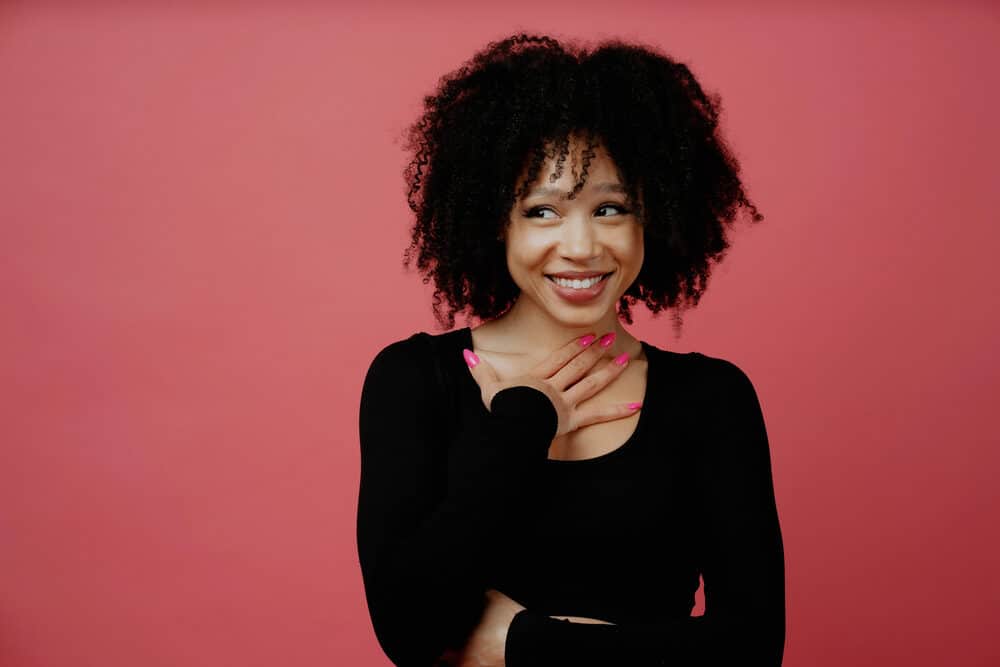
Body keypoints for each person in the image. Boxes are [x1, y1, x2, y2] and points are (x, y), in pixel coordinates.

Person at [357, 33, 785, 666]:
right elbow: (411, 630)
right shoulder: (416, 381)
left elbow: (749, 650)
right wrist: (524, 419)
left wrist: (522, 642)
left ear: (657, 218)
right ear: (492, 222)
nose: (582, 246)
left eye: (611, 208)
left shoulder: (711, 398)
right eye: (542, 211)